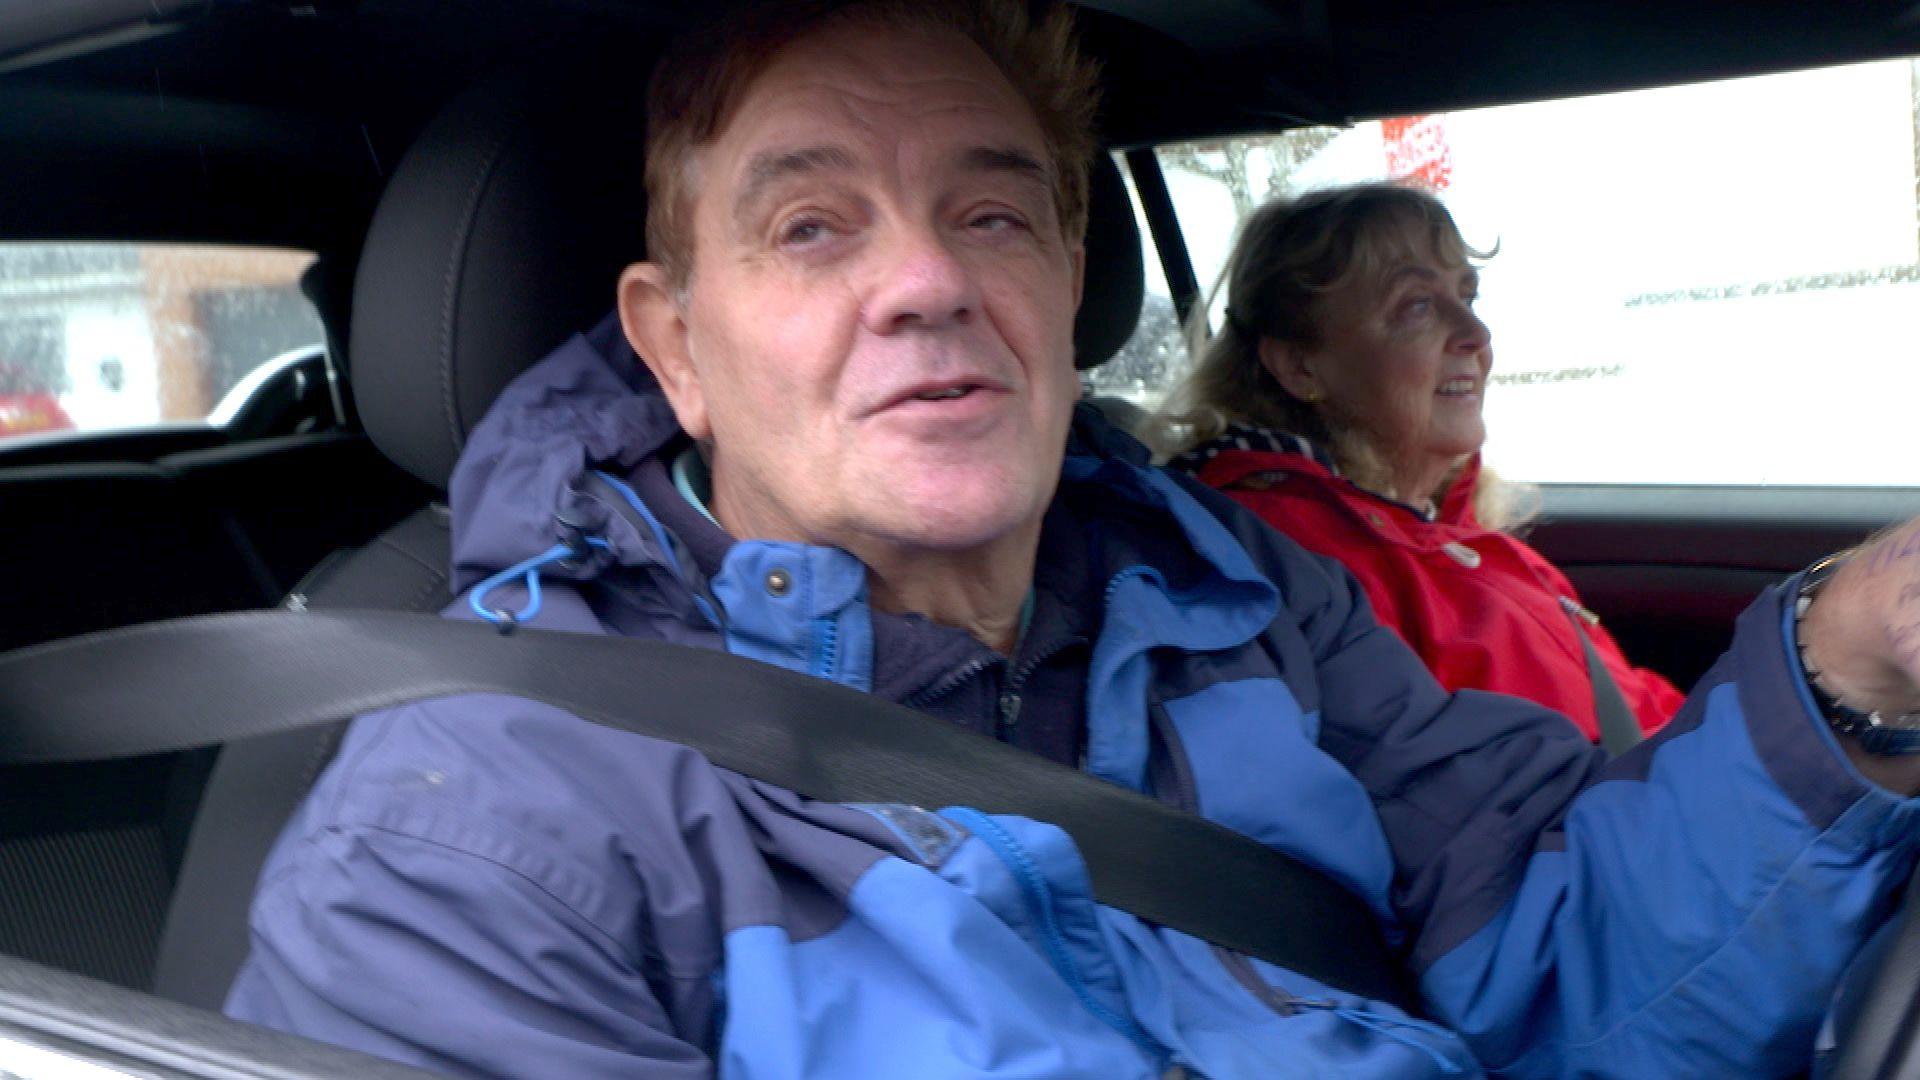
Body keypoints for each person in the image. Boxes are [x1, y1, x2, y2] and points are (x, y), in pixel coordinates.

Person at [224, 2, 1920, 1076]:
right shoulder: (474, 830)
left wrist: (1854, 663)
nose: (930, 280)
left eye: (991, 210)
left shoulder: (1249, 609)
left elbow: (1573, 973)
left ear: (1059, 283)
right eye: (814, 226)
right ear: (675, 346)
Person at [1153, 184, 1683, 741]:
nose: (1477, 335)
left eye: (1468, 297)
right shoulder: (1297, 564)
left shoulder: (1447, 532)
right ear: (1300, 365)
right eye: (1418, 307)